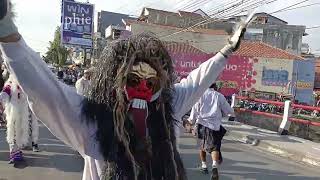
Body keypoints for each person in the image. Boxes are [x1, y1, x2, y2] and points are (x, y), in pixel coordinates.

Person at [0, 1, 245, 179]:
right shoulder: (92, 120)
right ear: (117, 81)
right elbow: (47, 91)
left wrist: (225, 52)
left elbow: (197, 80)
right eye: (134, 81)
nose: (143, 90)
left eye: (150, 84)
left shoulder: (166, 107)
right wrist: (8, 34)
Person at [187, 83, 235, 180]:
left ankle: (204, 166)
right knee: (215, 148)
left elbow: (194, 111)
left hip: (201, 124)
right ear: (215, 87)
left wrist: (190, 122)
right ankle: (214, 166)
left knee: (202, 146)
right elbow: (228, 110)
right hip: (214, 126)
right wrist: (231, 115)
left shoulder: (200, 95)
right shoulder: (219, 96)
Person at [0, 74, 40, 164]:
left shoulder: (25, 85)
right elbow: (4, 93)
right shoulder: (10, 83)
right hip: (13, 114)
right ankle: (13, 154)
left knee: (20, 132)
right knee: (13, 132)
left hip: (23, 112)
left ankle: (18, 152)